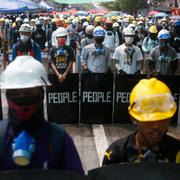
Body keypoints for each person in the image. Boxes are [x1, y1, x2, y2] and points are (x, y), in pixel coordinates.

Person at [0, 55, 84, 173]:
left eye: (29, 92)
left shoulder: (59, 140)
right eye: (15, 93)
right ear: (7, 96)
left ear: (42, 95)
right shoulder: (1, 139)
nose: (22, 98)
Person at [103, 78, 180, 165]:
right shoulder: (116, 154)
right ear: (133, 118)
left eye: (162, 119)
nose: (156, 126)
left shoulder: (177, 151)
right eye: (149, 120)